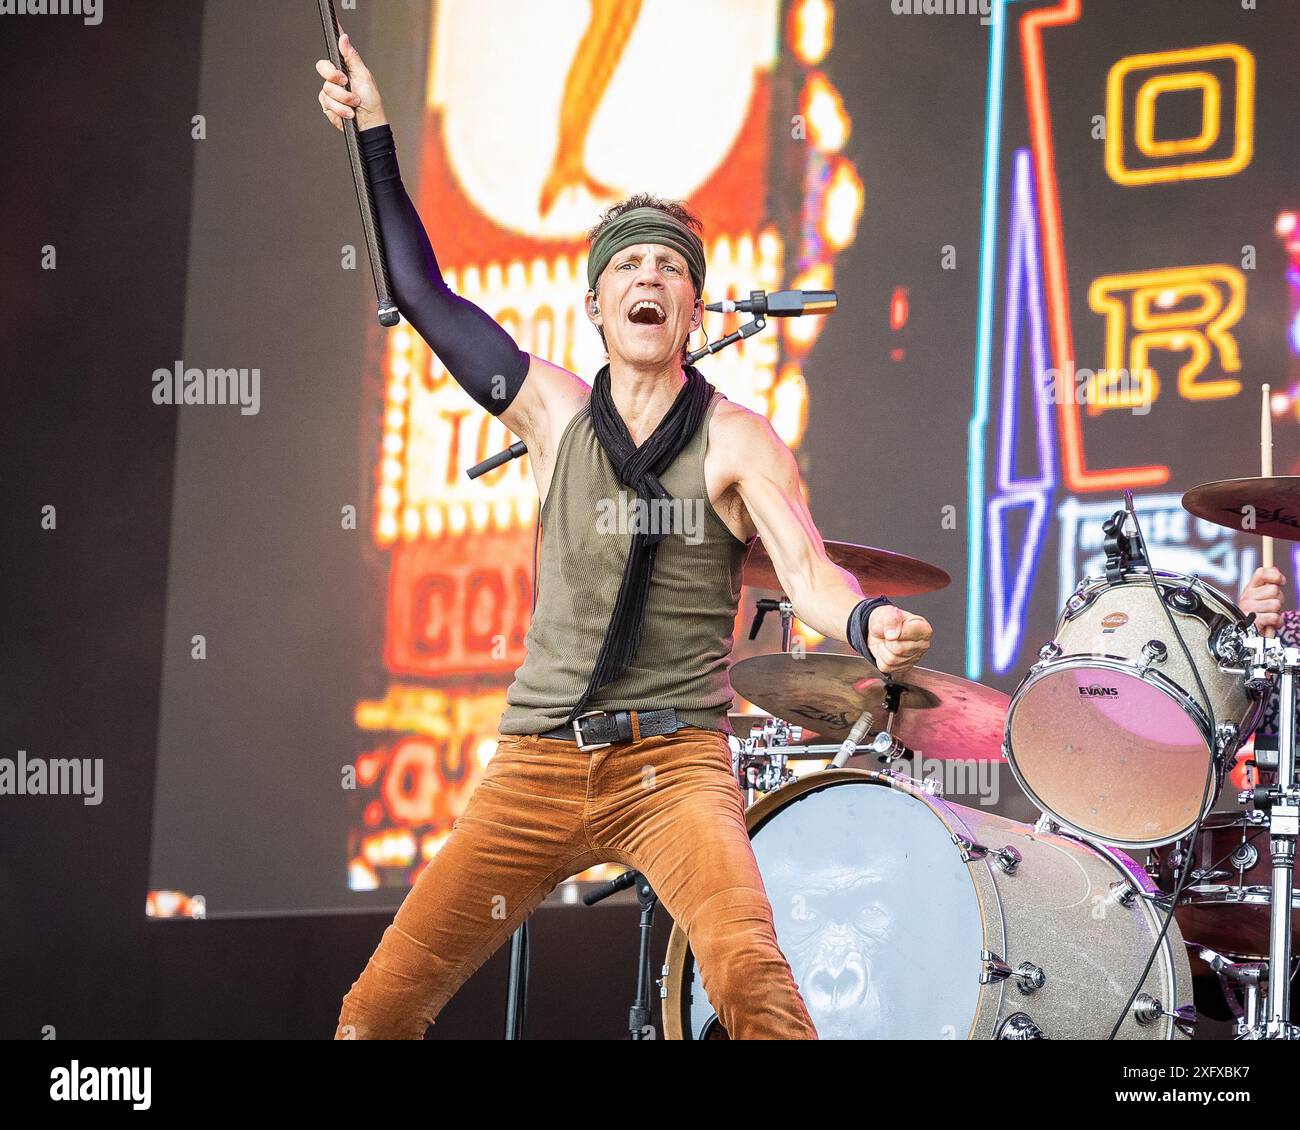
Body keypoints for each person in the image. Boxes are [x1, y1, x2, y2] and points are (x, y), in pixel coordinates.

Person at [316, 30, 932, 1040]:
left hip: (675, 768)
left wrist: (868, 625)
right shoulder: (550, 410)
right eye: (628, 265)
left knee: (750, 984)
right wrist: (377, 131)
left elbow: (808, 569)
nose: (648, 276)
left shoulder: (739, 437)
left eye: (669, 266)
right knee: (377, 1008)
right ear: (597, 303)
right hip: (536, 765)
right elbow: (422, 292)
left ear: (691, 306)